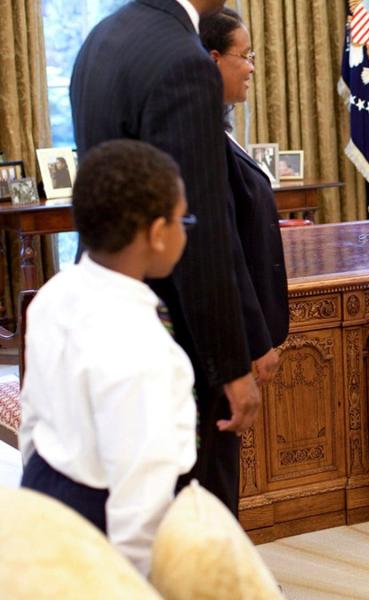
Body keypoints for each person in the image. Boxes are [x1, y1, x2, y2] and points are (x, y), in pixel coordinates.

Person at [70, 0, 261, 515]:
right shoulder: (183, 59)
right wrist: (231, 365)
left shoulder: (101, 38)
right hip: (174, 329)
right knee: (195, 505)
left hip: (108, 302)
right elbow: (199, 225)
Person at [19, 139, 196, 576]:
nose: (185, 230)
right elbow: (140, 496)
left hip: (43, 486)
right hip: (102, 518)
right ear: (157, 234)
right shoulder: (144, 347)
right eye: (182, 219)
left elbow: (32, 419)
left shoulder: (53, 294)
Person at [200, 8, 287, 387]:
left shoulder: (219, 128)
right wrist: (255, 339)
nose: (252, 68)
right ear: (214, 59)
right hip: (232, 339)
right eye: (245, 55)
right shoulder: (202, 139)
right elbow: (225, 248)